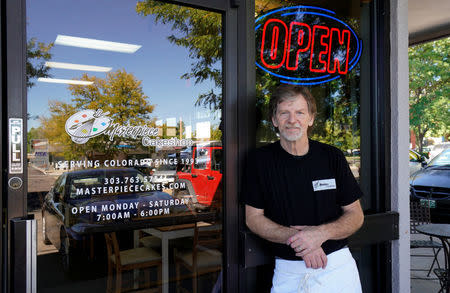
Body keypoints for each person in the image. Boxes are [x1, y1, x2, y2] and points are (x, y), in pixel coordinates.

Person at [243, 84, 364, 293]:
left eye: (300, 112)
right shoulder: (259, 161)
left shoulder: (332, 157)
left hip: (336, 267)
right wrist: (301, 242)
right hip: (288, 271)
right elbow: (253, 218)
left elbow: (355, 215)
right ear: (274, 120)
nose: (292, 120)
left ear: (311, 119)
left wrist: (320, 234)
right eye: (284, 113)